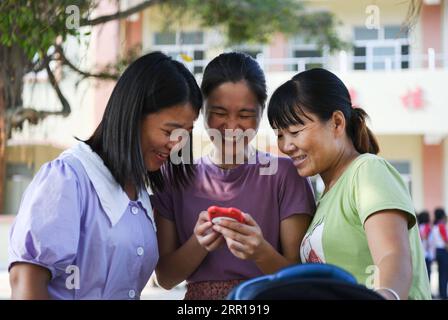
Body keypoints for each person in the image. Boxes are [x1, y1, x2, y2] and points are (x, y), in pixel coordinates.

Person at [8, 52, 203, 299]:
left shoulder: (140, 194)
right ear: (133, 114)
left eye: (185, 134)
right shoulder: (67, 179)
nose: (176, 145)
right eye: (169, 131)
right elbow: (27, 285)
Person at [151, 52, 316, 300]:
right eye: (219, 112)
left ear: (262, 112)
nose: (231, 126)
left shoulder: (286, 175)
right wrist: (198, 242)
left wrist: (260, 251)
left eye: (245, 115)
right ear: (201, 109)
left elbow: (301, 279)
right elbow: (165, 278)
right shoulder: (173, 176)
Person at [267, 68, 431, 300]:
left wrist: (387, 295)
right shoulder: (326, 196)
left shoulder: (367, 171)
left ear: (336, 122)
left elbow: (392, 255)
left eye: (295, 131)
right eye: (280, 134)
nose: (286, 145)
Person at [432, 208, 448, 299]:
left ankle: (441, 293)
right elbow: (446, 241)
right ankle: (443, 294)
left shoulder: (435, 226)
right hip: (443, 251)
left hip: (438, 251)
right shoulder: (441, 226)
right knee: (444, 274)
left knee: (441, 273)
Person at [417, 210, 434, 281]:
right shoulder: (428, 227)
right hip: (427, 253)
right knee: (427, 274)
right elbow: (430, 241)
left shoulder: (417, 227)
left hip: (419, 253)